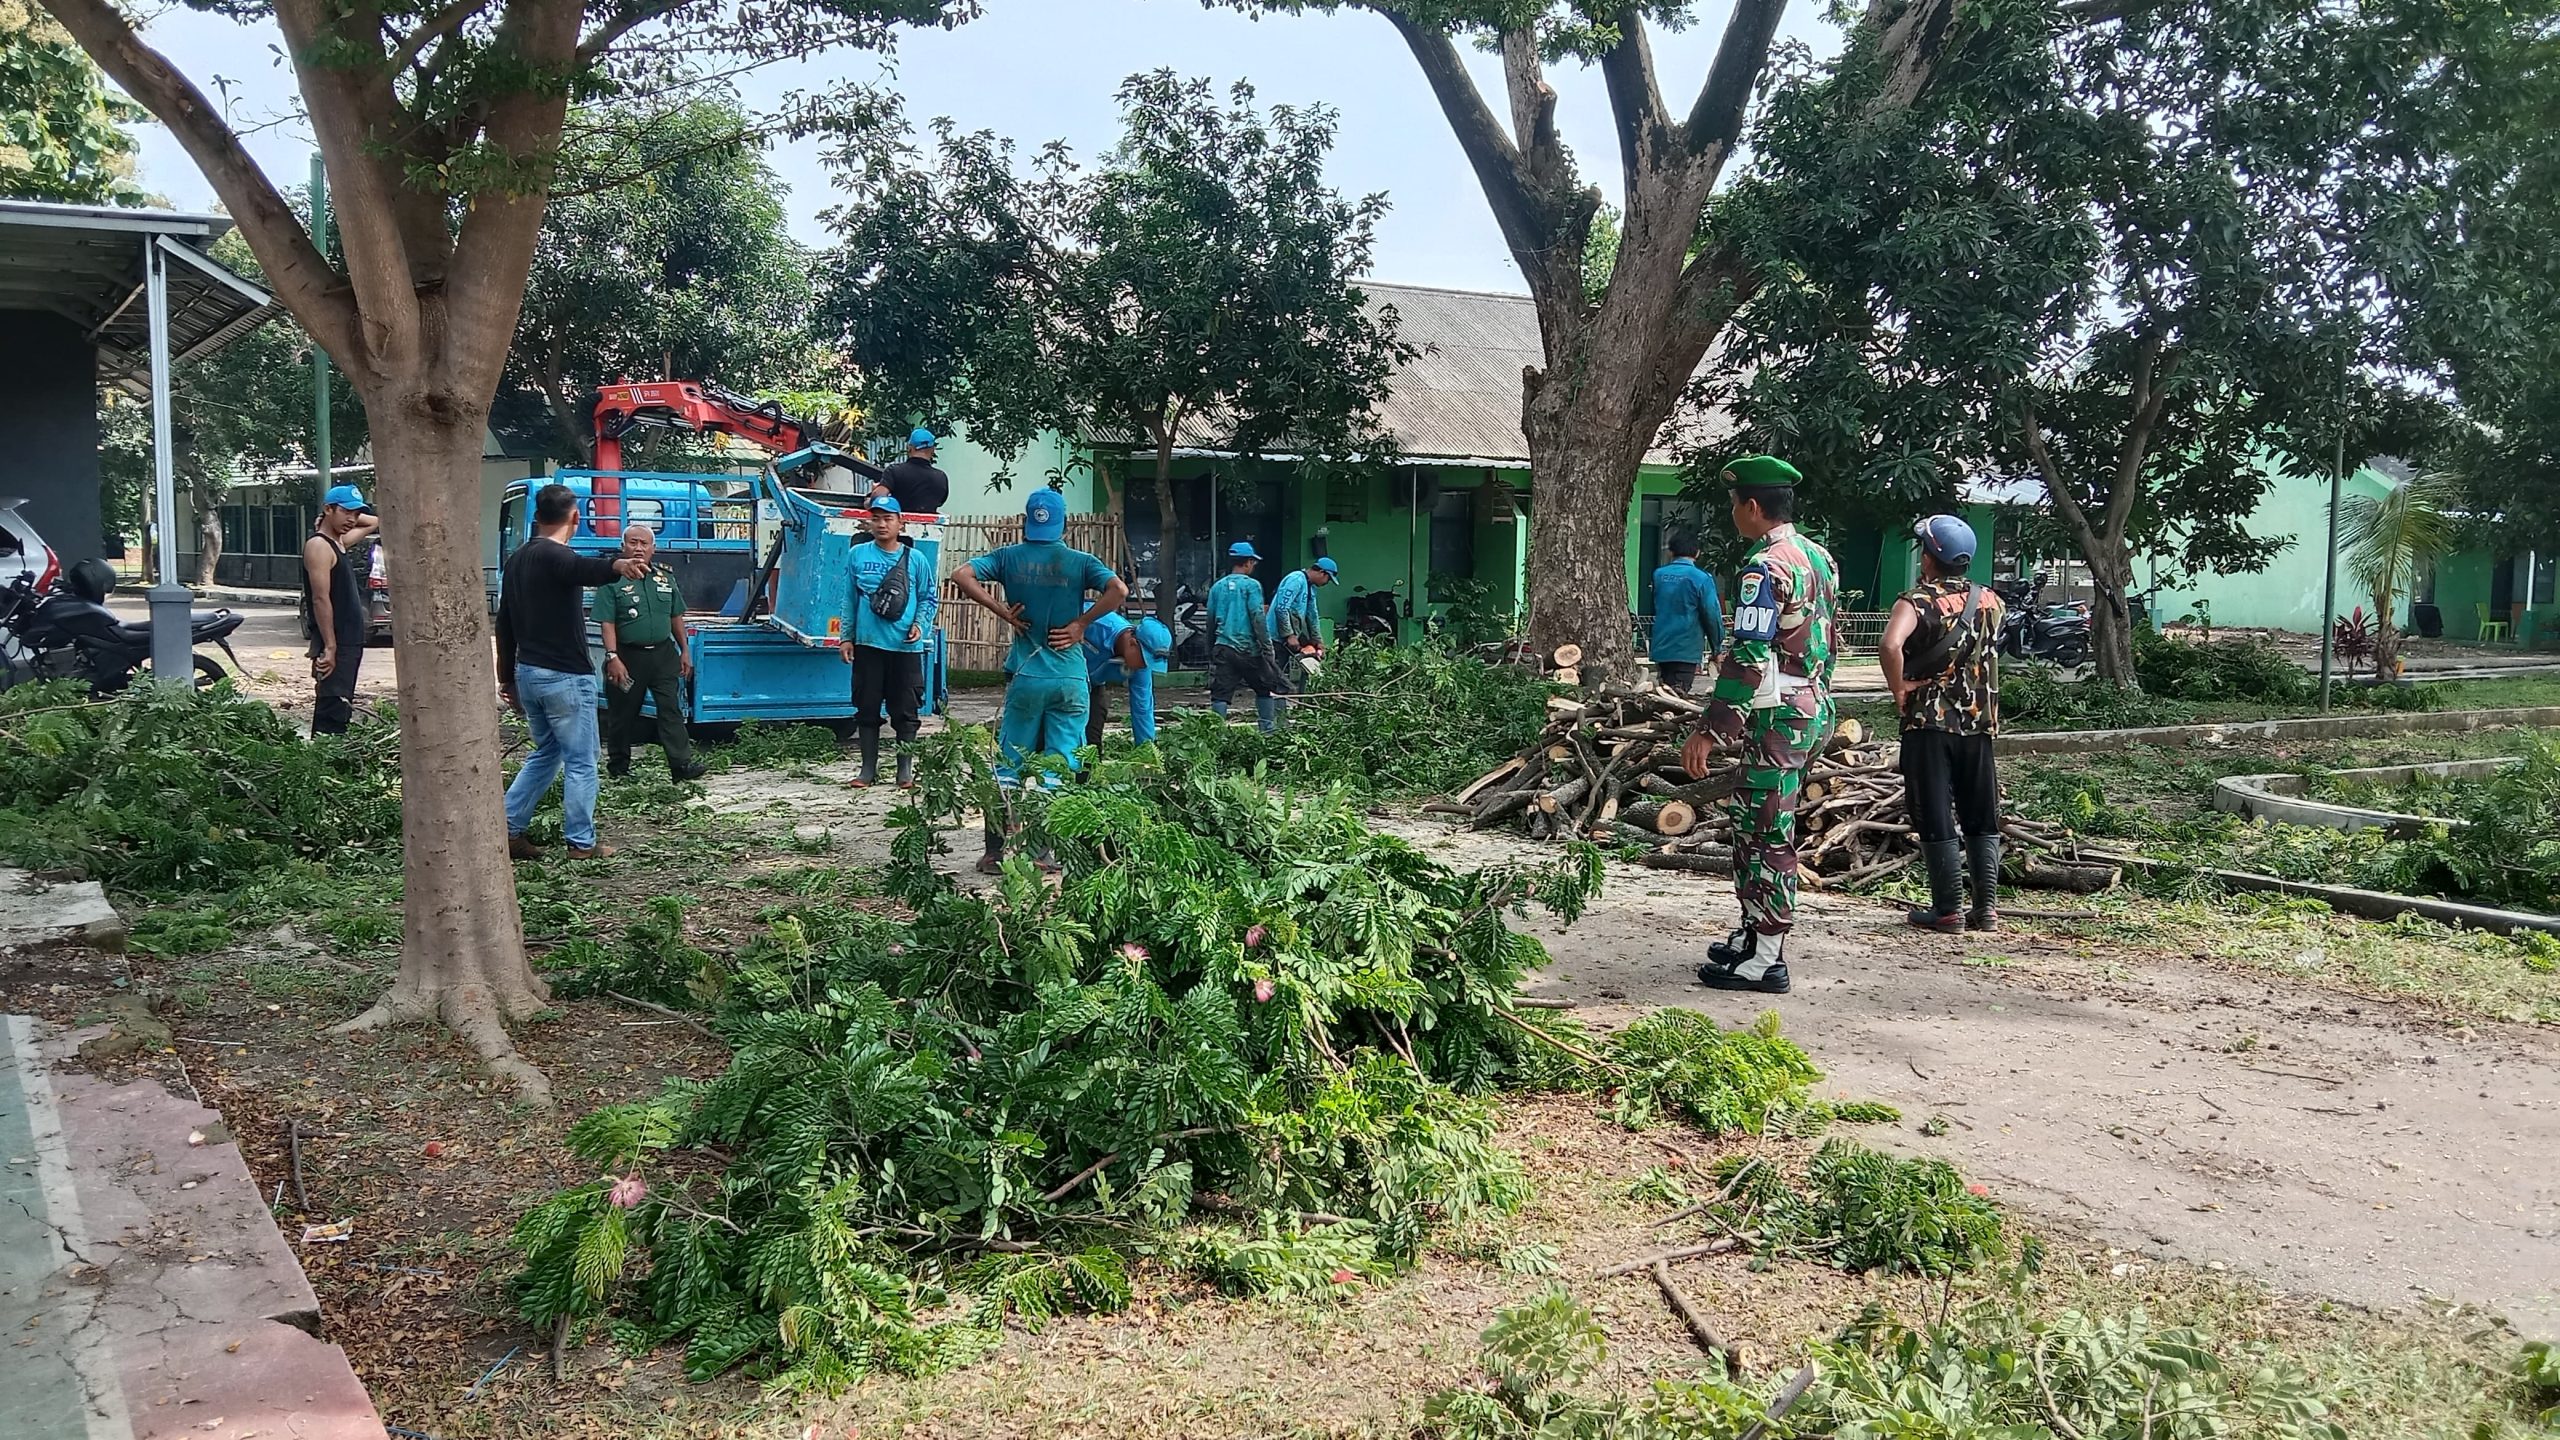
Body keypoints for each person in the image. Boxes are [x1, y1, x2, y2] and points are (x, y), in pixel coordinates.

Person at [1681, 455, 1840, 995]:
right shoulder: (1819, 558)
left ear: (1751, 507)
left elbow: (1749, 654)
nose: (1732, 515)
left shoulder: (1764, 567)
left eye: (1733, 505)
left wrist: (1711, 727)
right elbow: (1827, 641)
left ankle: (1766, 957)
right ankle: (1752, 935)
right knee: (1760, 826)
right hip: (1811, 707)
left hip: (1777, 718)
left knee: (1764, 833)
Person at [948, 489, 1128, 871]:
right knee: (1058, 767)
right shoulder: (1079, 562)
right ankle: (1042, 854)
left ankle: (994, 853)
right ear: (1064, 522)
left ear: (1027, 519)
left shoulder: (1008, 558)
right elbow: (1119, 590)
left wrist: (1002, 611)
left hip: (1027, 673)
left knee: (1009, 765)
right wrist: (1081, 624)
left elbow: (961, 575)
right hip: (1070, 679)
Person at [499, 483, 650, 861]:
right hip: (565, 677)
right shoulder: (556, 556)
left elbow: (504, 623)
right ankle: (581, 843)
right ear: (576, 517)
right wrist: (619, 565)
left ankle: (507, 826)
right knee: (582, 760)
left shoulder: (517, 560)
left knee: (547, 751)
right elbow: (581, 568)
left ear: (536, 518)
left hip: (529, 674)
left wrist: (507, 677)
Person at [1880, 514, 2007, 933]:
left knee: (1934, 809)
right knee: (1980, 812)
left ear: (1930, 557)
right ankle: (1986, 909)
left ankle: (1948, 910)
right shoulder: (1991, 599)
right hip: (1980, 722)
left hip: (1929, 722)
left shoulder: (1916, 601)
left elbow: (1891, 644)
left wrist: (1899, 687)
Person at [837, 497, 939, 788]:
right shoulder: (857, 555)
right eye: (876, 518)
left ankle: (904, 770)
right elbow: (848, 598)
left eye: (888, 518)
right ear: (868, 522)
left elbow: (929, 597)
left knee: (906, 710)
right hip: (868, 645)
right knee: (866, 707)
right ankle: (867, 770)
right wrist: (846, 637)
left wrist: (920, 625)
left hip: (905, 648)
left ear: (900, 523)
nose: (882, 524)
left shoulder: (916, 559)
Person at [594, 523, 705, 783]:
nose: (638, 548)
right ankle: (619, 766)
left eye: (644, 544)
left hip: (663, 654)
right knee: (623, 714)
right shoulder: (611, 581)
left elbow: (676, 615)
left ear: (653, 549)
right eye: (633, 543)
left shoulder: (665, 578)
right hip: (627, 657)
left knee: (671, 709)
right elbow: (606, 622)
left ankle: (681, 765)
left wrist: (685, 650)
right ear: (623, 547)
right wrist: (612, 657)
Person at [300, 483, 379, 735]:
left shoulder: (338, 542)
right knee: (332, 708)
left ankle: (332, 762)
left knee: (341, 705)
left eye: (355, 514)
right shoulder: (319, 546)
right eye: (346, 512)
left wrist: (351, 510)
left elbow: (373, 522)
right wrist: (330, 646)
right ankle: (325, 765)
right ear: (328, 509)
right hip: (336, 642)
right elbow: (320, 599)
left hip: (349, 641)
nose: (353, 519)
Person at [1205, 541, 1279, 732]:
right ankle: (1268, 732)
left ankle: (1216, 735)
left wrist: (1210, 649)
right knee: (1264, 688)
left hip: (1224, 647)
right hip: (1249, 649)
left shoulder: (1217, 587)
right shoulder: (1252, 586)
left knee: (1220, 694)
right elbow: (1257, 618)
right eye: (1253, 563)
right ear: (1247, 562)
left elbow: (1210, 621)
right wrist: (1267, 649)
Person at [1650, 531, 1726, 694]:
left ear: (1670, 552)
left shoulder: (1658, 575)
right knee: (1677, 695)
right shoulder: (1702, 578)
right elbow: (1712, 616)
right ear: (1697, 552)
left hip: (1661, 647)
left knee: (1664, 692)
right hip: (1686, 648)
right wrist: (1717, 648)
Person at [1084, 609, 1172, 746]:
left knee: (1092, 740)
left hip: (1093, 685)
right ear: (1132, 643)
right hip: (1055, 675)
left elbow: (1142, 708)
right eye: (1145, 660)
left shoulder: (1141, 665)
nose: (1144, 667)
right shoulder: (1097, 624)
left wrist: (1147, 754)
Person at [1266, 555, 1337, 720]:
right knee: (1277, 679)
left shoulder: (1310, 588)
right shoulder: (1295, 579)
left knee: (1311, 665)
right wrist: (1289, 635)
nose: (1326, 583)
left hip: (1293, 632)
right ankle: (1277, 718)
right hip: (1276, 637)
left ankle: (1304, 708)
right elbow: (1281, 609)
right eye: (1328, 579)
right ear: (1322, 573)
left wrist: (1318, 641)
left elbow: (1312, 615)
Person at [872, 427, 951, 515]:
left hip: (898, 525)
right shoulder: (941, 477)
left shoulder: (894, 471)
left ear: (909, 448)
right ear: (932, 450)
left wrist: (874, 493)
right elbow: (940, 502)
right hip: (930, 527)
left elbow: (879, 497)